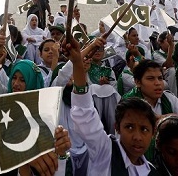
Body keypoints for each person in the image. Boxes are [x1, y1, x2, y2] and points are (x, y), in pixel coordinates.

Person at [68, 30, 160, 175]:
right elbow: (84, 113)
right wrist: (78, 64)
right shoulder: (105, 151)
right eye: (129, 127)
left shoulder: (152, 172)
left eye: (144, 129)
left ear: (153, 133)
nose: (137, 137)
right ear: (116, 127)